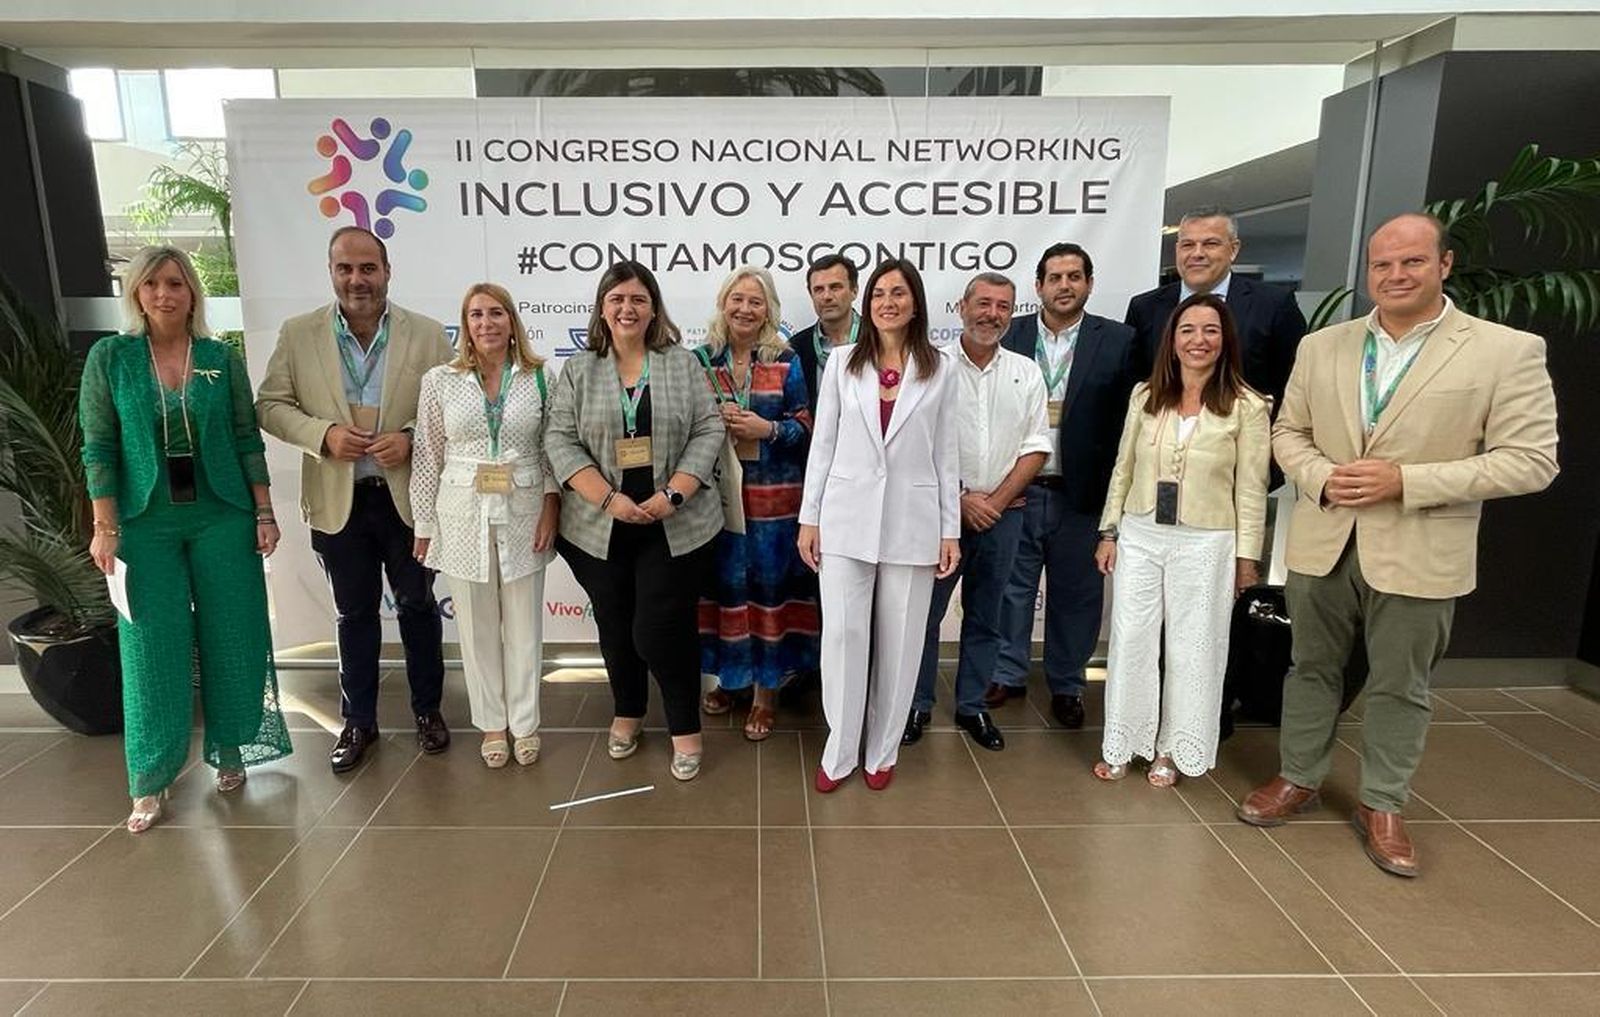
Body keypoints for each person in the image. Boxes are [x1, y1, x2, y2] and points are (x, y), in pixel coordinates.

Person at [1237, 213, 1559, 878]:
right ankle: (1298, 775)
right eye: (1382, 264)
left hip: (1420, 543)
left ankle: (1383, 803)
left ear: (1444, 264)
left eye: (1411, 261)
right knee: (1311, 668)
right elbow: (1286, 432)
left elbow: (1532, 460)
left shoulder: (1505, 350)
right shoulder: (1325, 346)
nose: (1395, 275)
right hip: (1326, 538)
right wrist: (1323, 477)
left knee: (1399, 683)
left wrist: (1406, 481)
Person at [81, 245, 292, 833]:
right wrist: (104, 526)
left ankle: (230, 751)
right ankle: (150, 781)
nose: (164, 294)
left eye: (174, 282)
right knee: (151, 648)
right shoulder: (112, 358)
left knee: (235, 633)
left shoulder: (219, 360)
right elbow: (97, 445)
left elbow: (248, 438)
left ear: (192, 292)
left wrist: (263, 512)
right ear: (136, 295)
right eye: (151, 285)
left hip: (220, 513)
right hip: (144, 522)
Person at [257, 226, 454, 773]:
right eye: (345, 269)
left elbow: (449, 405)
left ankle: (427, 712)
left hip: (409, 500)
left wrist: (412, 436)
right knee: (353, 614)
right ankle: (358, 722)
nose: (357, 279)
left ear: (387, 271)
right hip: (337, 499)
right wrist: (322, 435)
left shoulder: (427, 334)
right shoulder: (299, 335)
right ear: (331, 273)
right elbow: (270, 405)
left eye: (368, 268)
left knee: (417, 606)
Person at [546, 260, 724, 782]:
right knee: (615, 623)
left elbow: (709, 427)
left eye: (638, 300)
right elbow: (558, 438)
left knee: (659, 627)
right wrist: (607, 499)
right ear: (603, 307)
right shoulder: (580, 368)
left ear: (653, 309)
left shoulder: (680, 363)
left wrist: (674, 493)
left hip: (675, 520)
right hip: (599, 526)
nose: (628, 308)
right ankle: (628, 709)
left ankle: (684, 727)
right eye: (617, 299)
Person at [1093, 293, 1270, 786]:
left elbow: (1252, 490)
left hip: (1206, 540)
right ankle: (1123, 742)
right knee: (1131, 640)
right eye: (1188, 330)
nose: (1199, 340)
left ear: (1225, 340)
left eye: (1210, 330)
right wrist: (1109, 531)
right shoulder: (1145, 397)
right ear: (1172, 340)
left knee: (1194, 648)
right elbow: (1123, 469)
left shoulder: (1248, 407)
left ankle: (1173, 747)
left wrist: (1246, 559)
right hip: (1141, 533)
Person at [799, 259, 960, 793]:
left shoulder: (941, 367)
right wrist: (810, 519)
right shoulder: (843, 363)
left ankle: (882, 750)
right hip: (845, 520)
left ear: (915, 302)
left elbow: (946, 455)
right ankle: (840, 749)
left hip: (913, 522)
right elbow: (821, 448)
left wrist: (949, 530)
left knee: (902, 640)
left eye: (899, 292)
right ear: (866, 305)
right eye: (879, 294)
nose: (887, 301)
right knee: (843, 637)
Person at [410, 283, 560, 769]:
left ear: (512, 320)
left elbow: (554, 447)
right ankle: (493, 725)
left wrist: (551, 506)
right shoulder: (441, 380)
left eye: (496, 313)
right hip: (460, 515)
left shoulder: (539, 377)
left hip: (524, 510)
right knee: (474, 629)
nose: (486, 323)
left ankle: (525, 723)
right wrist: (423, 523)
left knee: (523, 626)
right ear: (465, 324)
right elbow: (428, 455)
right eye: (475, 315)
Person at [991, 243, 1141, 728]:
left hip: (1082, 491)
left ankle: (1067, 683)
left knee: (1077, 594)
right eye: (1054, 277)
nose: (1064, 286)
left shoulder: (1120, 341)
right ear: (1038, 287)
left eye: (1074, 276)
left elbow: (1129, 423)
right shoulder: (1007, 336)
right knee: (1011, 589)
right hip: (1016, 488)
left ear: (1089, 284)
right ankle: (1007, 672)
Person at [904, 273, 1049, 752]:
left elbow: (1035, 447)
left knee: (988, 615)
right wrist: (962, 499)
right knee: (925, 616)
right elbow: (916, 443)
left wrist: (995, 502)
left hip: (1005, 515)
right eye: (983, 303)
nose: (992, 314)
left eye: (1003, 306)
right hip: (942, 513)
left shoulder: (1026, 371)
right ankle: (917, 705)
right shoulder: (931, 367)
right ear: (961, 307)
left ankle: (972, 706)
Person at [693, 267, 819, 741]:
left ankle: (767, 695)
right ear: (723, 303)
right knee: (723, 591)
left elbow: (806, 425)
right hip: (717, 504)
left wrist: (765, 429)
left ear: (769, 310)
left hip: (776, 507)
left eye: (756, 301)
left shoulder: (786, 360)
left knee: (769, 595)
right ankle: (731, 679)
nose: (745, 309)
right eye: (737, 299)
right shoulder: (700, 360)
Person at [1123, 206, 1307, 416]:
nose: (1197, 253)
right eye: (1188, 245)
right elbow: (1134, 383)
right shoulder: (1145, 308)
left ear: (1234, 249)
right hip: (1162, 439)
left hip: (1245, 440)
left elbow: (1292, 387)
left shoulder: (1274, 305)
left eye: (1210, 244)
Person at [789, 254, 860, 416]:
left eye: (835, 287)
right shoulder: (795, 348)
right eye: (819, 289)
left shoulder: (878, 339)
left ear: (854, 291)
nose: (827, 296)